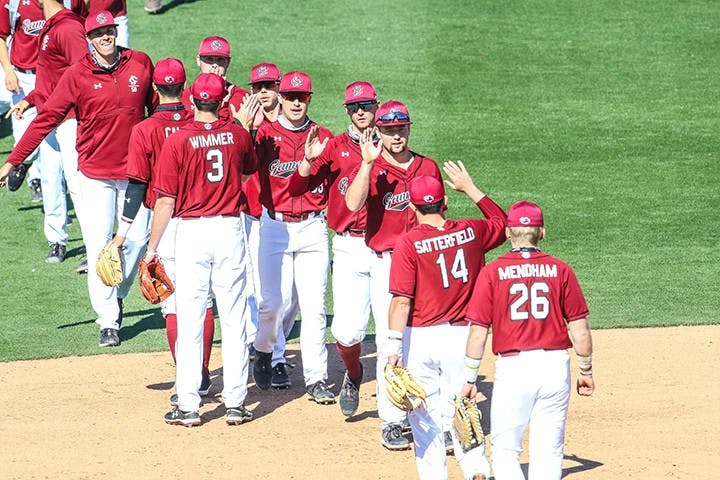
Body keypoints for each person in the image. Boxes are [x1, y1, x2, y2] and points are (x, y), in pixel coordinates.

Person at [0, 10, 154, 346]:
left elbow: (156, 109)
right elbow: (45, 120)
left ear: (116, 31)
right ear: (89, 39)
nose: (105, 37)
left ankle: (117, 293)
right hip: (94, 176)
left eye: (109, 31)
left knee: (138, 240)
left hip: (134, 175)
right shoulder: (77, 75)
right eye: (98, 33)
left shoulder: (141, 63)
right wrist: (14, 160)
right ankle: (108, 321)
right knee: (100, 246)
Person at [149, 72, 258, 427]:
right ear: (221, 101)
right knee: (235, 317)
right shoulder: (239, 135)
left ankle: (189, 405)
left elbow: (165, 201)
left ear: (192, 101)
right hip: (229, 229)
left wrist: (152, 249)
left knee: (191, 318)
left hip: (192, 234)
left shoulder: (178, 140)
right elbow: (244, 175)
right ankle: (236, 403)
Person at [387, 169, 508, 480]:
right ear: (445, 205)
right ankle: (477, 470)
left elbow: (401, 301)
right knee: (465, 408)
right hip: (462, 337)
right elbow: (505, 224)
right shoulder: (471, 231)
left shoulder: (408, 243)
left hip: (422, 339)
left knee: (423, 417)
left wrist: (391, 350)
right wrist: (471, 188)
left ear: (412, 210)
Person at [462, 200, 595, 480]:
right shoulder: (561, 270)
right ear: (542, 233)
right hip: (555, 366)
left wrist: (470, 378)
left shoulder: (492, 272)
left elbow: (477, 332)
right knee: (549, 451)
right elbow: (580, 329)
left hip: (514, 369)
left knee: (505, 450)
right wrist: (585, 371)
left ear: (508, 233)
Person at [108, 57, 214, 400]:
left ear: (154, 89)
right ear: (185, 89)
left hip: (164, 224)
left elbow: (137, 187)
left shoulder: (144, 130)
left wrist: (122, 234)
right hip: (205, 219)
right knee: (205, 300)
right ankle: (202, 373)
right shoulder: (202, 120)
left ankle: (189, 376)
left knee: (171, 303)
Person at [344, 99, 443, 450]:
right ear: (379, 132)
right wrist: (367, 165)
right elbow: (353, 204)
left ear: (409, 128)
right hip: (385, 261)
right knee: (390, 340)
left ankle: (433, 415)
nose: (396, 135)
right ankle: (392, 421)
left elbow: (439, 217)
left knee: (428, 338)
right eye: (388, 130)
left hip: (425, 260)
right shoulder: (370, 165)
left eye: (400, 128)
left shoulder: (427, 166)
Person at [288, 80, 378, 416]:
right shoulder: (335, 146)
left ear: (376, 107)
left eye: (366, 106)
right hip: (347, 247)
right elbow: (298, 188)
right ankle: (354, 374)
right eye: (354, 107)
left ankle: (393, 413)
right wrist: (308, 161)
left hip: (386, 251)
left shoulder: (392, 146)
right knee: (346, 332)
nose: (360, 112)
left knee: (389, 336)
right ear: (347, 111)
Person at [251, 70, 336, 404]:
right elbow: (242, 166)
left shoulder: (324, 135)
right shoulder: (264, 136)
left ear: (309, 99)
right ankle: (265, 351)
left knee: (315, 308)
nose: (296, 102)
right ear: (280, 98)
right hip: (274, 227)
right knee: (274, 302)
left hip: (314, 226)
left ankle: (317, 378)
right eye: (290, 97)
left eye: (302, 97)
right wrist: (245, 129)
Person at [1, 0, 88, 264]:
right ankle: (57, 241)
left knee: (79, 186)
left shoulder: (68, 27)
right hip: (48, 107)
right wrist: (33, 97)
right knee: (51, 174)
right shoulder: (53, 25)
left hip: (72, 120)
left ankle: (96, 246)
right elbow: (55, 81)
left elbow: (83, 76)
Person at [240, 62, 299, 389]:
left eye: (269, 86)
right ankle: (272, 357)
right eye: (257, 87)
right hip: (249, 217)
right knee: (260, 292)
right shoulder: (244, 125)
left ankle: (265, 342)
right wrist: (244, 129)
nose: (263, 92)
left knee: (291, 298)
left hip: (285, 220)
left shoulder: (291, 124)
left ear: (279, 88)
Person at [0, 0, 43, 203]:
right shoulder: (11, 1)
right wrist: (8, 71)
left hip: (55, 74)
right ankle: (25, 164)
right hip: (23, 78)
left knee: (58, 138)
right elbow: (1, 36)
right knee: (24, 136)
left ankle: (40, 183)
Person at [181, 35, 248, 123]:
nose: (215, 65)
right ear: (198, 60)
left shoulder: (243, 98)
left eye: (220, 59)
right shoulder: (184, 97)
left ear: (228, 62)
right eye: (209, 59)